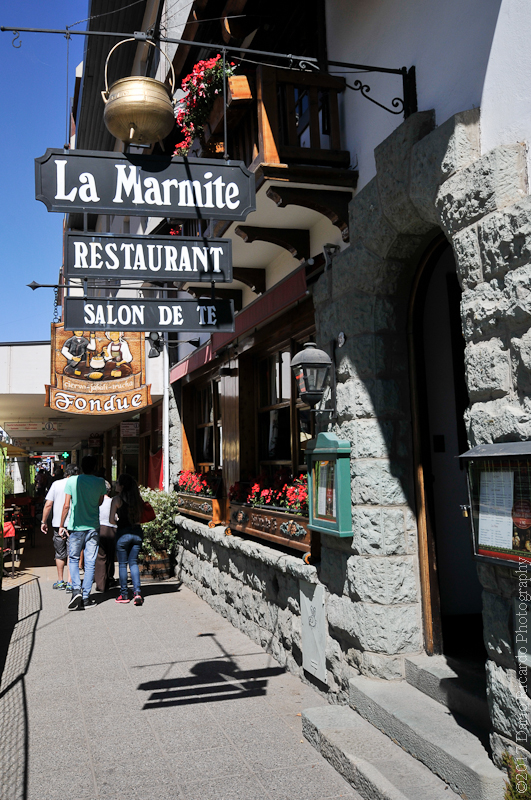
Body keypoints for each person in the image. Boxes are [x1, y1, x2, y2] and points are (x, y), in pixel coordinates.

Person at [60, 455, 106, 610]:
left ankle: (76, 590)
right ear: (94, 467)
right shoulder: (100, 482)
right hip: (93, 526)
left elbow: (66, 505)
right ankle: (86, 597)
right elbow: (100, 502)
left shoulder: (72, 481)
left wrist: (61, 524)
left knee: (73, 558)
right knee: (90, 561)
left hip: (76, 527)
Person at [40, 464, 80, 590]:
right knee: (72, 553)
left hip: (58, 524)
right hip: (75, 524)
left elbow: (48, 504)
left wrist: (43, 521)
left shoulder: (56, 484)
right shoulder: (79, 484)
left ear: (65, 473)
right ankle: (70, 582)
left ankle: (60, 580)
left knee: (60, 553)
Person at [110, 474, 144, 606]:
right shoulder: (137, 500)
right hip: (137, 532)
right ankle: (137, 593)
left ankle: (124, 594)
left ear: (122, 486)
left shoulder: (117, 500)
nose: (116, 485)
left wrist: (118, 521)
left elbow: (111, 520)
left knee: (123, 564)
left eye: (117, 483)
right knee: (134, 563)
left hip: (122, 533)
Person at [94, 481, 117, 592]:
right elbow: (116, 517)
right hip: (112, 529)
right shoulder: (113, 501)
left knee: (100, 557)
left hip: (99, 529)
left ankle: (100, 583)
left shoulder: (96, 502)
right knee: (111, 555)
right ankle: (109, 578)